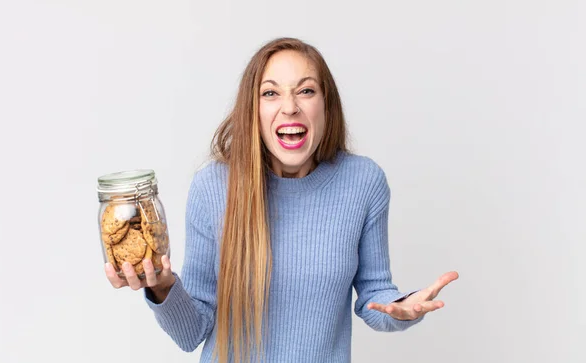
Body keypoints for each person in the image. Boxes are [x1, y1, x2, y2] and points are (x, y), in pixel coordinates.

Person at [105, 37, 459, 363]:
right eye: (270, 93)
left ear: (326, 104)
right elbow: (192, 333)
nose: (289, 107)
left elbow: (373, 295)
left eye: (305, 90)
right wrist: (162, 288)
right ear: (253, 111)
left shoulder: (363, 182)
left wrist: (402, 307)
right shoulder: (214, 186)